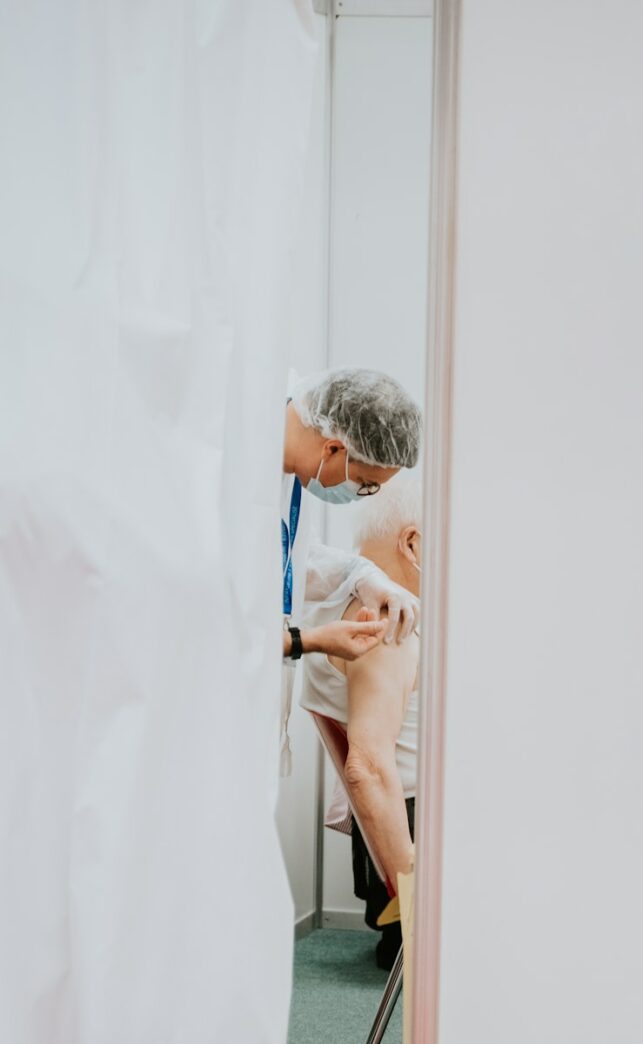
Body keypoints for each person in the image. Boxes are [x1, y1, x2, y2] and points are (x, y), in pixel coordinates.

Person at [300, 474, 421, 969]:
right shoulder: (389, 621)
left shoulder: (345, 603)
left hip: (379, 836)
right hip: (408, 828)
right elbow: (366, 769)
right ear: (413, 542)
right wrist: (418, 901)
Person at [278, 368, 422, 772]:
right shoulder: (237, 469)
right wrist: (310, 640)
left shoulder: (292, 477)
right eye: (364, 482)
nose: (360, 495)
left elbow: (290, 564)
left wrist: (365, 575)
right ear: (334, 450)